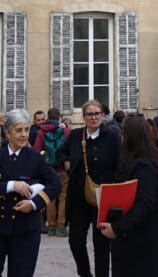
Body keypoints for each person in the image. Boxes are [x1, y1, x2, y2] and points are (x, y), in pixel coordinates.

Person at [0, 109, 60, 277]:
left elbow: (55, 185)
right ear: (8, 133)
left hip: (25, 230)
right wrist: (11, 185)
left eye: (26, 129)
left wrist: (33, 203)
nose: (24, 135)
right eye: (18, 130)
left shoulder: (36, 157)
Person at [97, 115, 158, 277]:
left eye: (124, 134)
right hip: (146, 242)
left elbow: (145, 204)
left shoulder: (144, 165)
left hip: (147, 245)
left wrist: (117, 228)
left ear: (130, 137)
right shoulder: (146, 160)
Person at [58, 99, 120, 277]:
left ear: (102, 115)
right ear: (84, 117)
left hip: (104, 198)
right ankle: (85, 274)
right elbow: (61, 152)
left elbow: (120, 164)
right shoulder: (77, 135)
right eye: (90, 114)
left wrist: (114, 187)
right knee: (75, 241)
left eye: (97, 114)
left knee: (101, 245)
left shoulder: (112, 135)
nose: (94, 117)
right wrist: (67, 162)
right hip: (79, 197)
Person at [32, 108, 70, 236]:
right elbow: (69, 148)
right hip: (62, 168)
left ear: (47, 117)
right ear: (59, 116)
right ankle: (61, 226)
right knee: (63, 196)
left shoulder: (42, 131)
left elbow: (37, 149)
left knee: (50, 197)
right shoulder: (65, 130)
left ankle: (51, 226)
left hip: (48, 169)